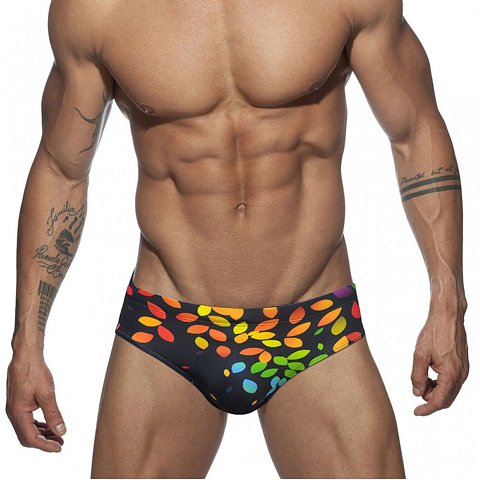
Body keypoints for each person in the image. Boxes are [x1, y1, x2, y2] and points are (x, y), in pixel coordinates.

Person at [6, 0, 469, 478]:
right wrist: (27, 343)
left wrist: (447, 302)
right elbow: (61, 172)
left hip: (312, 320)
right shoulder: (97, 9)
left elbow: (415, 131)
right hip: (167, 322)